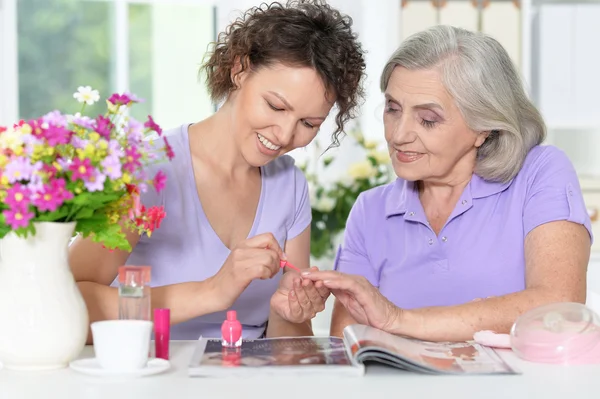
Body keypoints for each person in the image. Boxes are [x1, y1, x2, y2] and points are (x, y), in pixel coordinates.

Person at [69, 0, 366, 342]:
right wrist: (212, 291)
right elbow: (69, 303)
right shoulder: (149, 170)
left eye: (308, 123)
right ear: (240, 69)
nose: (285, 135)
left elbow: (286, 342)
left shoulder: (289, 184)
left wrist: (289, 313)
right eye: (275, 105)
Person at [302, 25, 593, 342]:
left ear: (483, 127)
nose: (399, 135)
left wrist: (400, 320)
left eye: (428, 119)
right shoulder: (370, 210)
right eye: (392, 109)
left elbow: (558, 306)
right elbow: (350, 341)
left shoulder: (540, 173)